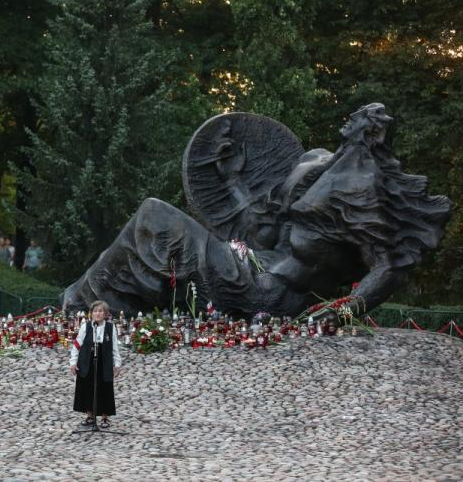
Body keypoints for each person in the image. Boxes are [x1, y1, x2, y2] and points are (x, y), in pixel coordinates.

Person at [63, 104, 451, 318]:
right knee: (156, 226)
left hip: (270, 295)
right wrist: (233, 181)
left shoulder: (361, 188)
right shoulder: (322, 166)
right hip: (253, 269)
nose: (347, 121)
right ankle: (95, 305)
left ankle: (81, 305)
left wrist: (344, 312)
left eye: (356, 118)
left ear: (367, 131)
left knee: (154, 216)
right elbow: (257, 232)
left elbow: (389, 266)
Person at [70, 300, 121, 428]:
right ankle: (90, 416)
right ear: (91, 313)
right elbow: (77, 345)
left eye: (100, 311)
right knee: (87, 387)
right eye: (95, 311)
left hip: (104, 360)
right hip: (87, 359)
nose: (98, 313)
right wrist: (73, 362)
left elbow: (114, 347)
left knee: (105, 387)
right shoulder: (86, 326)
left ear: (105, 314)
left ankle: (105, 417)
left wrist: (117, 363)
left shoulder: (110, 327)